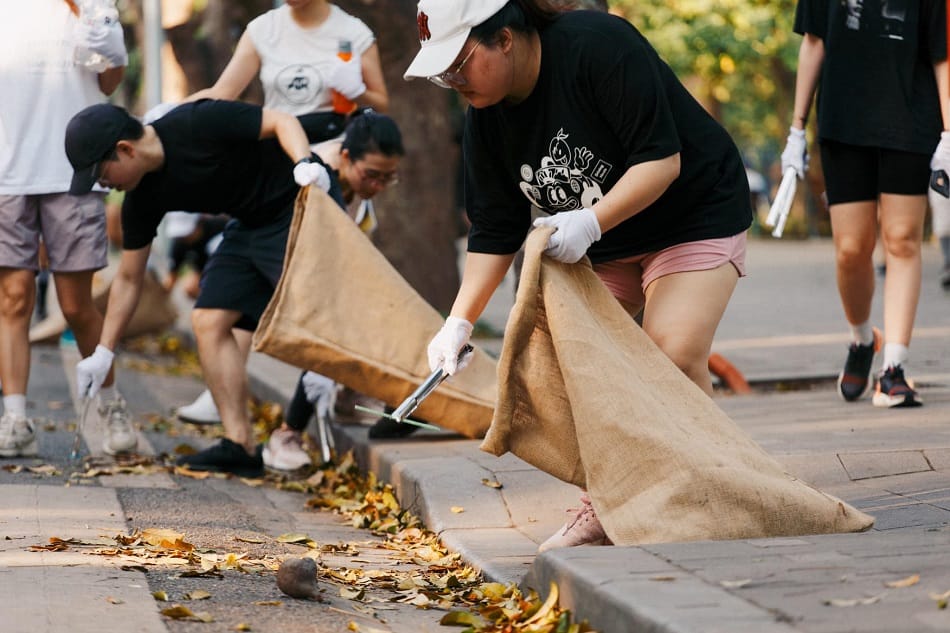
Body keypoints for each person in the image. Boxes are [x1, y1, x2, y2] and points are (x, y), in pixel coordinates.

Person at [403, 0, 753, 550]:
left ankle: (696, 492)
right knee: (567, 364)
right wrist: (459, 323)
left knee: (672, 351)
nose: (453, 82)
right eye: (442, 73)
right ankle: (620, 498)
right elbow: (495, 229)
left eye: (459, 63)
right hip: (605, 245)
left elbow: (662, 161)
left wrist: (590, 221)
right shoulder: (486, 118)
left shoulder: (597, 45)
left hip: (693, 212)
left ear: (506, 38)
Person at [66, 99, 339, 477]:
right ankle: (240, 444)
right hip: (250, 223)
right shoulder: (141, 198)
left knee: (312, 317)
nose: (103, 184)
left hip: (298, 202)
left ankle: (328, 392)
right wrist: (104, 351)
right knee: (208, 320)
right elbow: (129, 278)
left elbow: (280, 120)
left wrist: (304, 163)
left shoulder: (197, 122)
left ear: (125, 149)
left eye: (100, 173)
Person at [174, 0, 390, 428]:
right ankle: (227, 389)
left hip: (330, 170)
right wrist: (169, 121)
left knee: (323, 288)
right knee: (252, 278)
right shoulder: (263, 29)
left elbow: (382, 105)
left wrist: (357, 90)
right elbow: (222, 95)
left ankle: (333, 399)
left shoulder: (353, 32)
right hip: (275, 169)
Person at [782, 0, 947, 408]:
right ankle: (861, 339)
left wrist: (949, 132)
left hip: (911, 118)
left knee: (902, 238)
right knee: (851, 249)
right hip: (844, 121)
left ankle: (894, 369)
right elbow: (814, 42)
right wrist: (796, 129)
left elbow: (942, 52)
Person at [0, 0, 133, 458]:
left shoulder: (87, 3)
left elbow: (110, 80)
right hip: (7, 172)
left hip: (71, 170)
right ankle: (15, 418)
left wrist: (109, 42)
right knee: (13, 297)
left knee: (76, 305)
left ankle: (111, 404)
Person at [262, 111, 404, 470]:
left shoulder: (359, 191)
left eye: (389, 178)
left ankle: (347, 396)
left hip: (329, 265)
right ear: (345, 157)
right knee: (327, 333)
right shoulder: (314, 176)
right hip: (278, 257)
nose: (377, 185)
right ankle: (287, 432)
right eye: (371, 175)